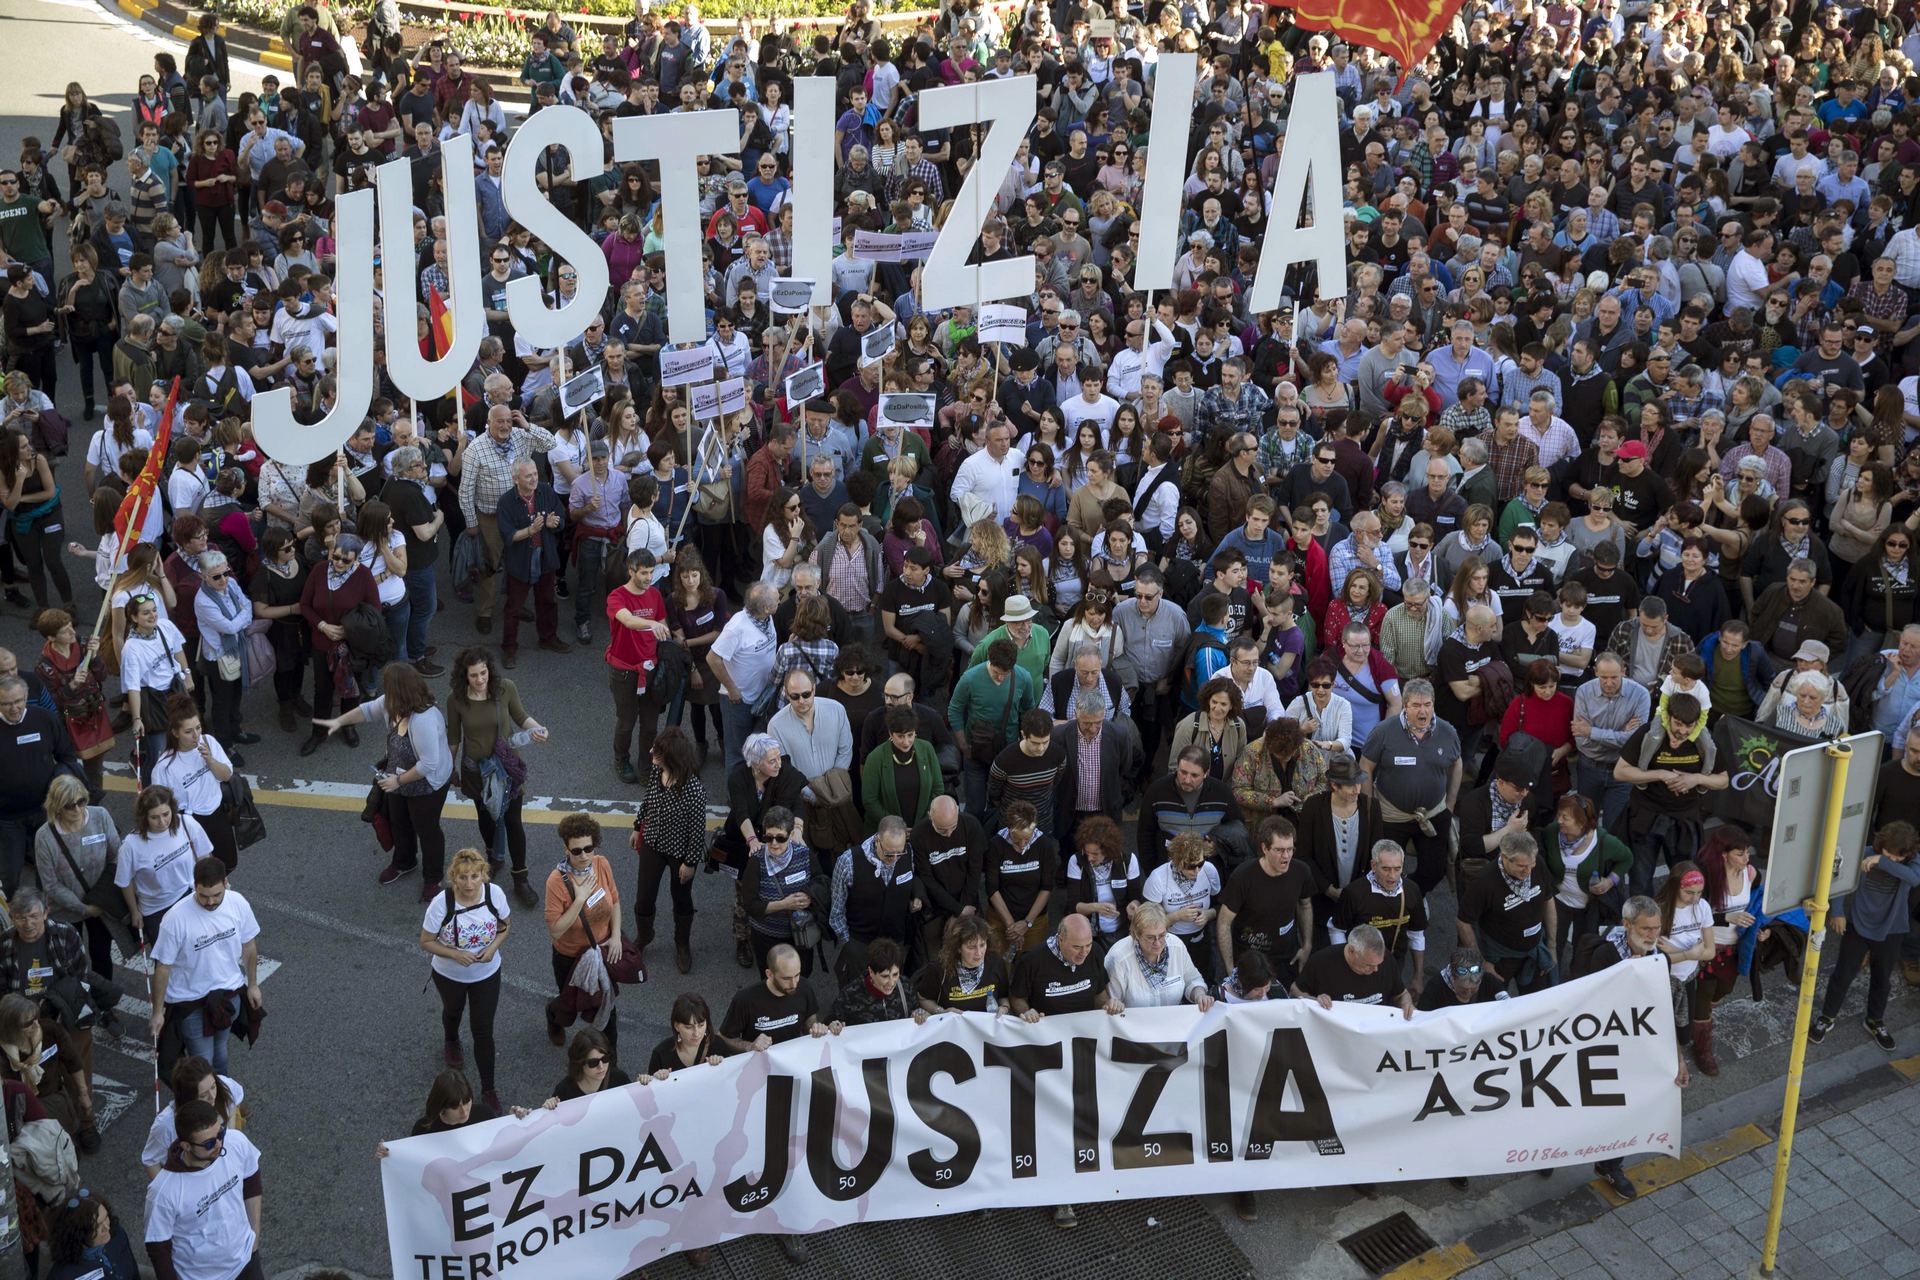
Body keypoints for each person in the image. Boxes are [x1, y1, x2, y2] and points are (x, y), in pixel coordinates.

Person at [1571, 894, 1694, 1200]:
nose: (1653, 935)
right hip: (1602, 1048)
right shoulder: (1605, 956)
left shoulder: (1659, 959)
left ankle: (1611, 1165)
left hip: (1637, 1050)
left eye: (1657, 927)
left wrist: (1679, 1059)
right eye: (1646, 928)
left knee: (1629, 1110)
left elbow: (1661, 1010)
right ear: (1626, 925)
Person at [1009, 913, 1123, 1228]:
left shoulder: (1094, 953)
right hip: (1045, 1057)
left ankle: (1088, 1181)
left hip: (1086, 1053)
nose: (1083, 952)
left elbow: (1099, 993)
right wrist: (1025, 1012)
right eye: (1076, 947)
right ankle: (1062, 1196)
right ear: (1060, 939)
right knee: (1054, 1126)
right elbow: (1016, 997)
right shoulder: (1033, 961)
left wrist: (1109, 1006)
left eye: (1087, 945)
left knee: (1086, 1122)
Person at [318, 663, 458, 898]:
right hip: (398, 776)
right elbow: (366, 710)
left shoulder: (423, 720)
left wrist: (398, 781)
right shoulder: (393, 703)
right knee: (399, 822)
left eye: (388, 688)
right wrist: (339, 721)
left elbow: (428, 765)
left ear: (400, 691)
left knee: (427, 830)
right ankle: (404, 862)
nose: (385, 692)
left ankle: (432, 878)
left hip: (427, 784)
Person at [446, 646, 549, 903]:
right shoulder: (456, 699)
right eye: (473, 675)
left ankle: (520, 877)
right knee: (486, 817)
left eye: (483, 673)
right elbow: (454, 738)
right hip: (475, 771)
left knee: (513, 822)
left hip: (505, 770)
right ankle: (493, 855)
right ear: (464, 676)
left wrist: (539, 729)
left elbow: (521, 716)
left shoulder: (505, 688)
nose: (480, 680)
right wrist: (450, 768)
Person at [1810, 820, 1920, 1051]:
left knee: (1882, 979)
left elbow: (1913, 879)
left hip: (1892, 929)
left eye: (1896, 858)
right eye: (1886, 854)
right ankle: (1827, 1017)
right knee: (1842, 975)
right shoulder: (1865, 852)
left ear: (1908, 854)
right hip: (1858, 924)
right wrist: (1838, 912)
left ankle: (1874, 1021)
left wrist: (1881, 861)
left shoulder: (1910, 863)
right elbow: (1840, 880)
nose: (1891, 860)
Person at [148, 857, 261, 1081]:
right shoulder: (175, 919)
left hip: (229, 997)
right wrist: (158, 1012)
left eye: (217, 895)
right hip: (192, 1003)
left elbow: (249, 946)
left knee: (220, 1054)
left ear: (225, 882)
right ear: (194, 886)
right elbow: (163, 968)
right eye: (204, 896)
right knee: (203, 1063)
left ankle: (223, 1102)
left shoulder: (238, 903)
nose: (210, 902)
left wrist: (253, 985)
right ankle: (210, 1107)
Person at [419, 847, 511, 1113]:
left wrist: (493, 948)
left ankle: (488, 1088)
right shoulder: (442, 903)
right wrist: (455, 955)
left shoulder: (495, 894)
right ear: (453, 878)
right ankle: (451, 1040)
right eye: (462, 878)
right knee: (453, 1010)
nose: (469, 884)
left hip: (487, 973)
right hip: (450, 974)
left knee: (483, 1030)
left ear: (483, 874)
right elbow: (425, 941)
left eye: (474, 876)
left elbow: (505, 925)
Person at [142, 1097, 262, 1280]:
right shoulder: (163, 1192)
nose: (219, 1144)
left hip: (247, 1262)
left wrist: (255, 1236)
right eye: (208, 1144)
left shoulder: (235, 1142)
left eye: (220, 1134)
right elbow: (158, 1248)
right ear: (186, 1146)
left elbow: (251, 1177)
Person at [542, 813, 626, 1052]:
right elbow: (556, 931)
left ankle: (610, 1060)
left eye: (588, 848)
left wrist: (617, 936)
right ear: (566, 848)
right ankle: (553, 1016)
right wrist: (579, 900)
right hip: (569, 958)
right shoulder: (556, 882)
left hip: (602, 952)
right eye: (576, 851)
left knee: (606, 1008)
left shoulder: (602, 864)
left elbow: (616, 901)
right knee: (569, 1007)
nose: (584, 856)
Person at [629, 726, 708, 974]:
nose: (652, 751)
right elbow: (649, 799)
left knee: (682, 899)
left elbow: (697, 830)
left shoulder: (694, 790)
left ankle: (682, 944)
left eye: (658, 750)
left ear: (672, 756)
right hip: (652, 843)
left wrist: (691, 863)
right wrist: (637, 826)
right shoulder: (657, 770)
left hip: (679, 853)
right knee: (644, 898)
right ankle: (644, 935)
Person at [33, 772, 122, 981]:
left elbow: (117, 857)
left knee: (101, 955)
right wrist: (83, 908)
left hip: (100, 904)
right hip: (64, 910)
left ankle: (103, 1005)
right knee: (69, 960)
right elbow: (50, 884)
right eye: (69, 805)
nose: (77, 809)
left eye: (81, 802)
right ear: (56, 806)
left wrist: (98, 901)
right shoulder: (44, 836)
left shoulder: (100, 816)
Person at [1458, 831, 1559, 995]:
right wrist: (1482, 962)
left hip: (1535, 953)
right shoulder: (1484, 882)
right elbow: (1463, 922)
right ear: (1505, 857)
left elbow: (1548, 900)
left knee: (1538, 1005)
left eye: (1530, 864)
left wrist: (1552, 947)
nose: (1528, 871)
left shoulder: (1537, 864)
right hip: (1500, 958)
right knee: (1494, 1009)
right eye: (1521, 866)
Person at [148, 696, 239, 872]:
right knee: (202, 871)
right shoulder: (164, 767)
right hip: (191, 822)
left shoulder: (209, 742)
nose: (196, 735)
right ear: (175, 733)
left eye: (198, 728)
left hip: (218, 813)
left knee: (228, 863)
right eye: (188, 731)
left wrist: (210, 761)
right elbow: (162, 806)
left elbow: (227, 775)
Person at [141, 1055, 246, 1179]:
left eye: (213, 1087)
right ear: (187, 1098)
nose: (212, 1097)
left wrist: (231, 1138)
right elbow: (150, 1161)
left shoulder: (223, 1086)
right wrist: (166, 1192)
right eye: (203, 1095)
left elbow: (232, 1106)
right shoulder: (166, 1124)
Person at [1103, 900, 1214, 1009]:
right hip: (1134, 1025)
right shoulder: (1119, 958)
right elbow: (1113, 1002)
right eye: (1150, 937)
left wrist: (1200, 995)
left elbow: (1193, 980)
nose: (1157, 943)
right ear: (1136, 934)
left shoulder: (1176, 946)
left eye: (1162, 935)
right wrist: (1114, 1005)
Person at [1291, 924, 1415, 1018]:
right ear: (1351, 951)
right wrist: (1315, 1001)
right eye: (1368, 965)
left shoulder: (1387, 959)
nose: (1376, 969)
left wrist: (1407, 1005)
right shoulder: (1321, 962)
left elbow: (1401, 994)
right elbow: (1294, 991)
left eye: (1379, 964)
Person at [828, 936, 928, 1024]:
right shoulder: (849, 996)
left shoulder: (906, 986)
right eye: (885, 976)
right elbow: (831, 1023)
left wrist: (919, 1014)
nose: (892, 982)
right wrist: (834, 1025)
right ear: (871, 972)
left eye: (895, 974)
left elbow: (916, 1009)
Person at [43, 1189, 140, 1280]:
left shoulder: (118, 1235)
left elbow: (134, 1273)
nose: (107, 1228)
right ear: (78, 1235)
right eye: (97, 1226)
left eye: (106, 1217)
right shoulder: (63, 1275)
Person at [546, 1026, 633, 1102]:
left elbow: (635, 1102)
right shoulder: (564, 1091)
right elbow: (552, 1118)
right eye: (593, 1063)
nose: (601, 1066)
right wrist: (550, 1106)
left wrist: (644, 1084)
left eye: (605, 1059)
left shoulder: (620, 1079)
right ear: (579, 1063)